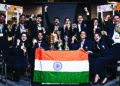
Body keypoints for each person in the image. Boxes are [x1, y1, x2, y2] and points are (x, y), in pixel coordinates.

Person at [93, 14, 120, 85]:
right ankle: (102, 76)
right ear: (113, 20)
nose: (116, 19)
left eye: (117, 18)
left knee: (101, 58)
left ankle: (98, 75)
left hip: (119, 48)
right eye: (115, 18)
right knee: (99, 59)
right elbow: (104, 27)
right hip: (112, 47)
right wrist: (105, 20)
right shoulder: (112, 26)